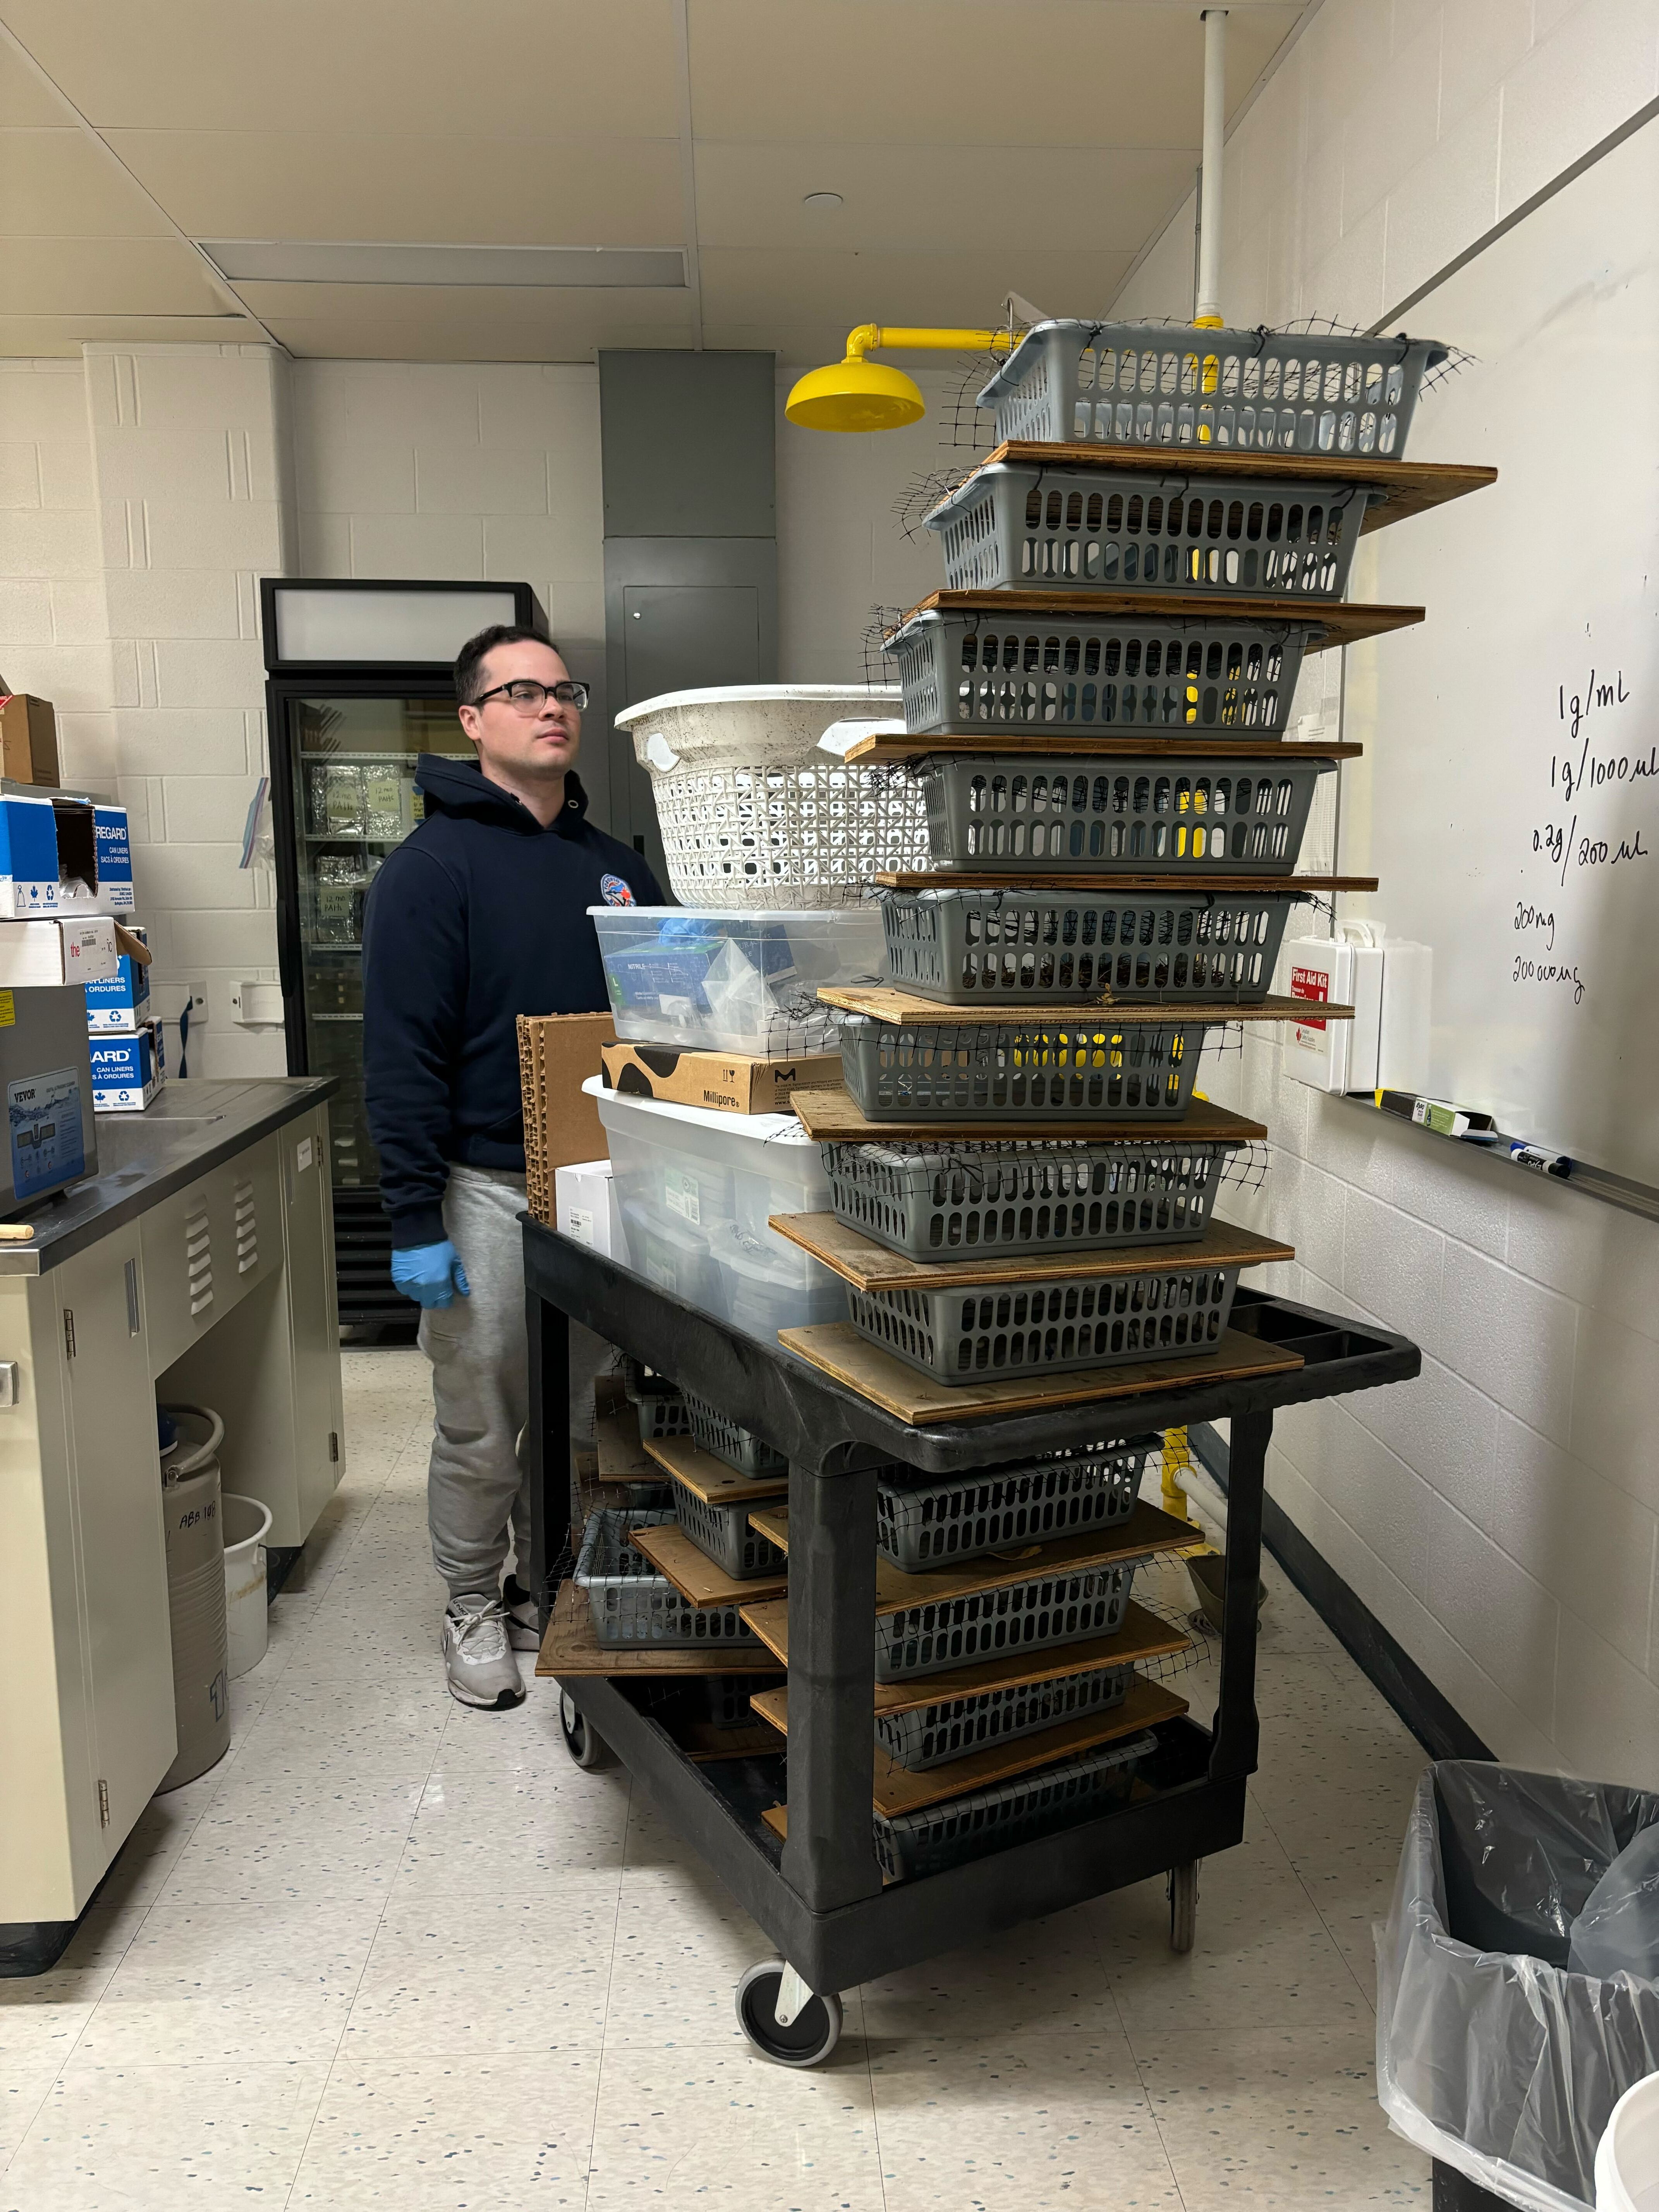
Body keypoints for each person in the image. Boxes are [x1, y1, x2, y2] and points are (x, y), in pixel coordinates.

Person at [362, 625, 661, 1710]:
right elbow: (398, 1058)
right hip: (481, 1186)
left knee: (585, 1413)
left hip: (597, 1185)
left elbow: (665, 1020)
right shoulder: (430, 870)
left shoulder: (616, 868)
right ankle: (471, 1604)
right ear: (473, 720)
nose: (552, 707)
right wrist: (413, 1221)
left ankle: (552, 1584)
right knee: (485, 1420)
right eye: (522, 691)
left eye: (563, 690)